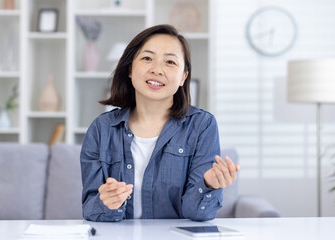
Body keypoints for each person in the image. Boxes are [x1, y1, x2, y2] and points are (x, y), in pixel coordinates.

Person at [80, 24, 240, 222]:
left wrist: (208, 184)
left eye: (170, 62)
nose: (157, 70)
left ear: (183, 77)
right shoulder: (101, 129)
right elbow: (90, 208)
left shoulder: (202, 126)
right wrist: (107, 203)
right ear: (130, 69)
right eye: (147, 58)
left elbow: (197, 213)